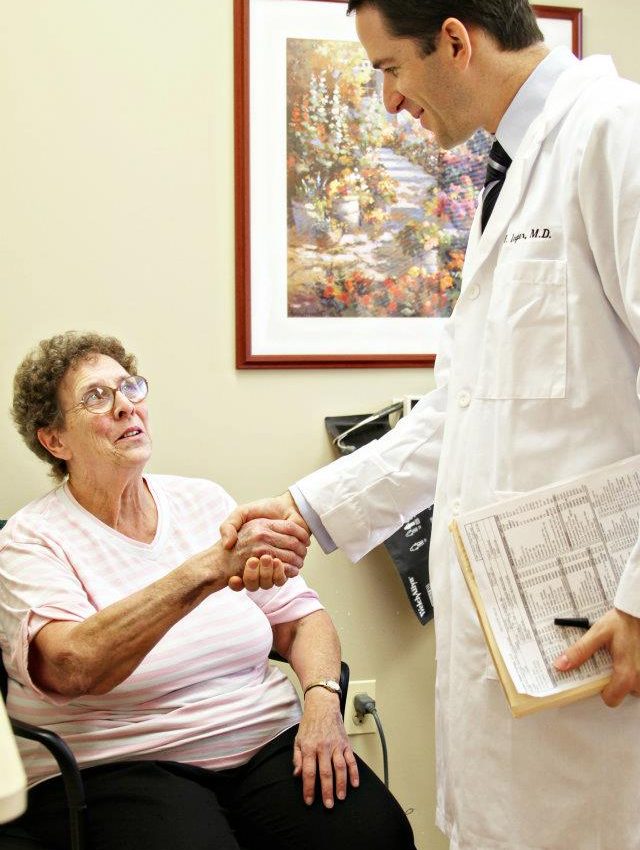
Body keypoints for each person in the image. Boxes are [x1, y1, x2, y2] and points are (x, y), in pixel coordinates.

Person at [221, 2, 640, 849]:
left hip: (601, 644)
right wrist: (303, 510)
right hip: (514, 653)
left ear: (455, 40)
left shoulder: (613, 136)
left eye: (389, 70)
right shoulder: (508, 176)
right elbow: (461, 413)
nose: (388, 102)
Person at [0, 331, 415, 850]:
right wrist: (208, 570)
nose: (126, 406)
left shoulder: (202, 500)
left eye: (129, 387)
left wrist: (322, 703)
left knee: (375, 836)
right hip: (122, 764)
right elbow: (72, 665)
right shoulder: (31, 538)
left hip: (264, 741)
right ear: (54, 440)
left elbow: (301, 617)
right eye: (96, 397)